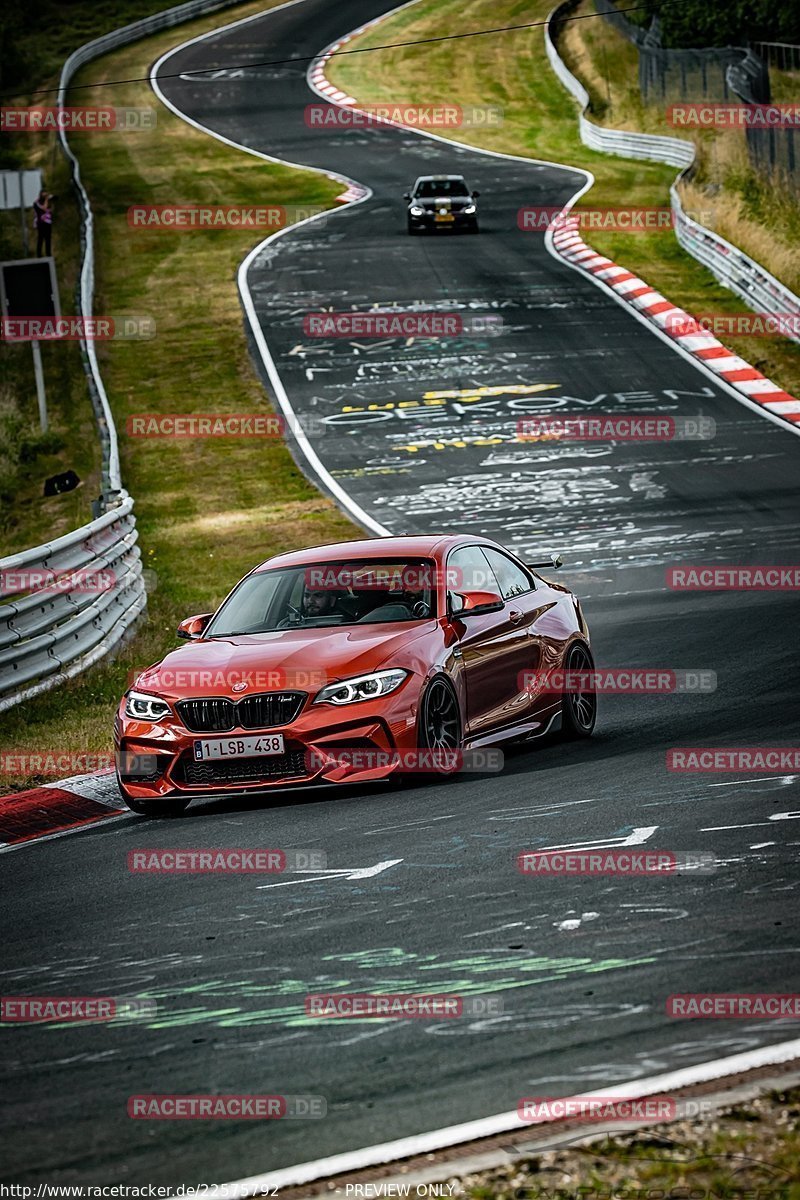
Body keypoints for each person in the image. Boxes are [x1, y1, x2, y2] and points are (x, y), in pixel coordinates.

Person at [33, 190, 53, 257]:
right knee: (40, 238)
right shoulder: (37, 203)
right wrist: (46, 199)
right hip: (41, 223)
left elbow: (50, 209)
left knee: (48, 239)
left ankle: (48, 253)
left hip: (48, 222)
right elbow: (44, 208)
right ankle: (39, 254)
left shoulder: (48, 202)